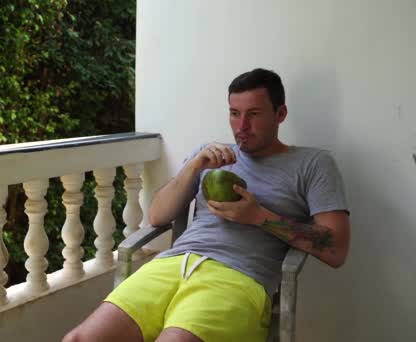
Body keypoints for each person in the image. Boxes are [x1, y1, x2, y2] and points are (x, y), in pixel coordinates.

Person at [63, 68, 350, 342]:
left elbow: (336, 248)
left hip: (237, 277)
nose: (242, 127)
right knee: (77, 339)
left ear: (281, 114)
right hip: (172, 264)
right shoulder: (212, 156)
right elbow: (157, 215)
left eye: (254, 114)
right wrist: (193, 167)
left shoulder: (313, 164)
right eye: (234, 114)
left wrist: (259, 217)